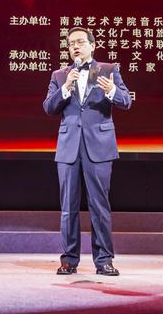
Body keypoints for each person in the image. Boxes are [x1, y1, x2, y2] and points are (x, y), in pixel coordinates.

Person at [43, 26, 132, 276]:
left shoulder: (108, 70)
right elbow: (49, 107)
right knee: (68, 207)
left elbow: (126, 101)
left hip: (99, 146)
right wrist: (65, 88)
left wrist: (111, 91)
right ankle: (69, 260)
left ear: (92, 45)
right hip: (69, 147)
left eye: (80, 42)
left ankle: (104, 260)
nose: (75, 46)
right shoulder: (60, 75)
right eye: (71, 43)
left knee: (99, 205)